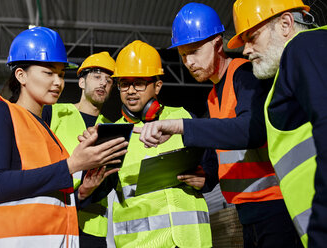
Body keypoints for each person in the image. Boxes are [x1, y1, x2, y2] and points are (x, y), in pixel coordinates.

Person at [134, 3, 302, 247]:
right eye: (182, 55)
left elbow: (252, 130)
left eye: (194, 51)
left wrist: (181, 126)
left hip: (276, 208)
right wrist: (207, 176)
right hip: (247, 212)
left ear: (217, 43)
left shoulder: (245, 74)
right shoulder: (213, 96)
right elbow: (223, 149)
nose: (189, 62)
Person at [0, 27, 128, 248]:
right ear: (21, 75)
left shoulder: (48, 134)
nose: (58, 82)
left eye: (61, 74)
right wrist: (72, 165)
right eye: (48, 73)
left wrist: (82, 192)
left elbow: (46, 203)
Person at [226, 0, 327, 246]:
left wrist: (321, 233)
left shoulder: (304, 46)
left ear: (285, 24)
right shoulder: (300, 61)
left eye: (252, 37)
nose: (245, 51)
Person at [109, 40, 215, 248]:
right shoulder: (113, 135)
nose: (130, 90)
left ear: (157, 86)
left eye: (139, 83)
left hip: (191, 240)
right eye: (124, 83)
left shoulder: (184, 118)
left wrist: (207, 179)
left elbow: (211, 165)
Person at [42, 51, 117, 248]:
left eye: (109, 80)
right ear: (81, 82)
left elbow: (111, 177)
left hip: (93, 230)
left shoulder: (112, 128)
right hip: (54, 221)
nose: (103, 83)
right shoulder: (53, 113)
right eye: (97, 76)